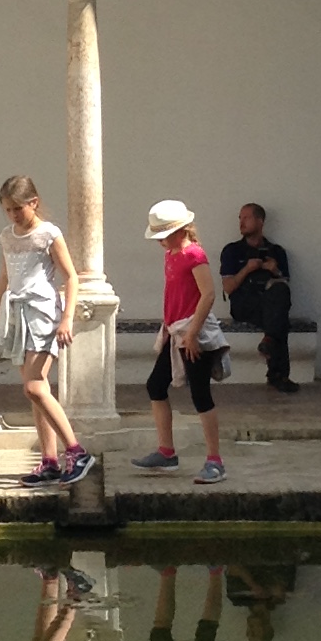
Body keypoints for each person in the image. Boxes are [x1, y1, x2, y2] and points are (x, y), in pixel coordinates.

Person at [0, 174, 94, 488]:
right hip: (17, 313)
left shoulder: (48, 234)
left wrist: (67, 319)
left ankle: (77, 452)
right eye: (8, 210)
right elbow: (5, 277)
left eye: (18, 208)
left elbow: (70, 277)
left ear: (33, 202)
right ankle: (49, 460)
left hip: (43, 313)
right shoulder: (7, 236)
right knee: (37, 392)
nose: (14, 215)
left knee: (33, 386)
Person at [131, 198, 226, 485]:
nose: (161, 242)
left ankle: (215, 461)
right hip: (176, 333)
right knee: (156, 385)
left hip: (191, 333)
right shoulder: (172, 254)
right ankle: (166, 451)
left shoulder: (194, 255)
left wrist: (193, 334)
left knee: (200, 394)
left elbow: (208, 294)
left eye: (165, 235)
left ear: (182, 230)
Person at [220, 202, 298, 393]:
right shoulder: (232, 251)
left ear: (260, 221)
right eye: (240, 218)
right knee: (279, 318)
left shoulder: (277, 252)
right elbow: (228, 288)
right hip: (244, 304)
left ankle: (270, 342)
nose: (241, 222)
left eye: (246, 217)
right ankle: (278, 374)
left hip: (270, 303)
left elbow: (285, 285)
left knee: (278, 304)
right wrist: (247, 269)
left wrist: (275, 270)